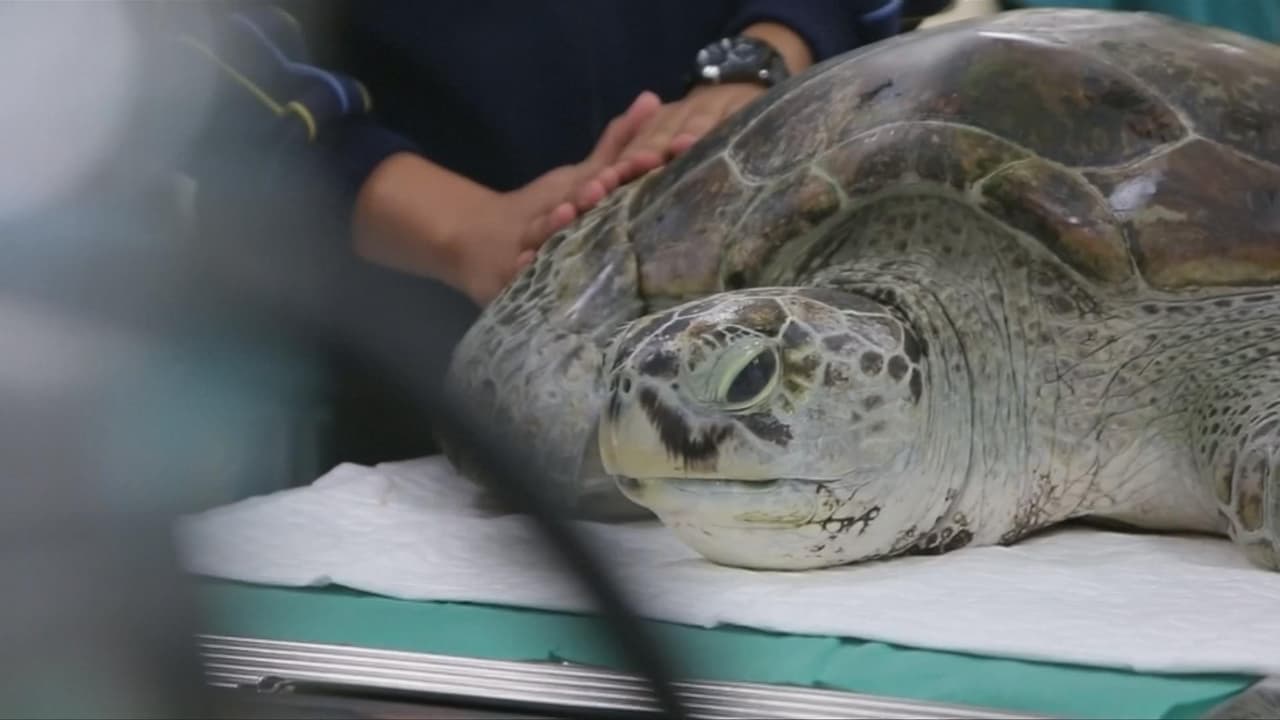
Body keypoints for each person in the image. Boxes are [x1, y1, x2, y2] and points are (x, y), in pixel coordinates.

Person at [167, 1, 909, 472]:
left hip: (760, 277)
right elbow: (197, 56)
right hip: (407, 348)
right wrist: (465, 229)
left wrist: (758, 63)